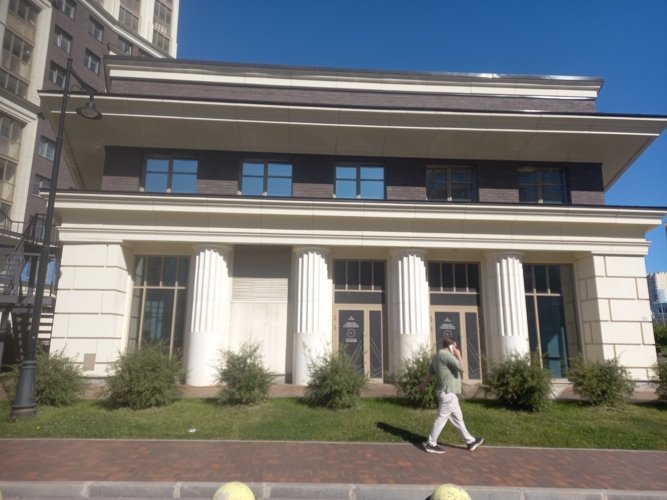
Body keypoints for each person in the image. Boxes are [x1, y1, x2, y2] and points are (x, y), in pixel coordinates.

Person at [420, 337, 484, 454]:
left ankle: (470, 441)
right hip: (448, 393)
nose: (456, 348)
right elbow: (462, 368)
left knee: (458, 419)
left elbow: (430, 372)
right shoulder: (446, 355)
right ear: (451, 346)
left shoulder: (437, 356)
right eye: (455, 346)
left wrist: (423, 384)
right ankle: (431, 443)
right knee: (441, 419)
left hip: (447, 393)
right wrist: (458, 354)